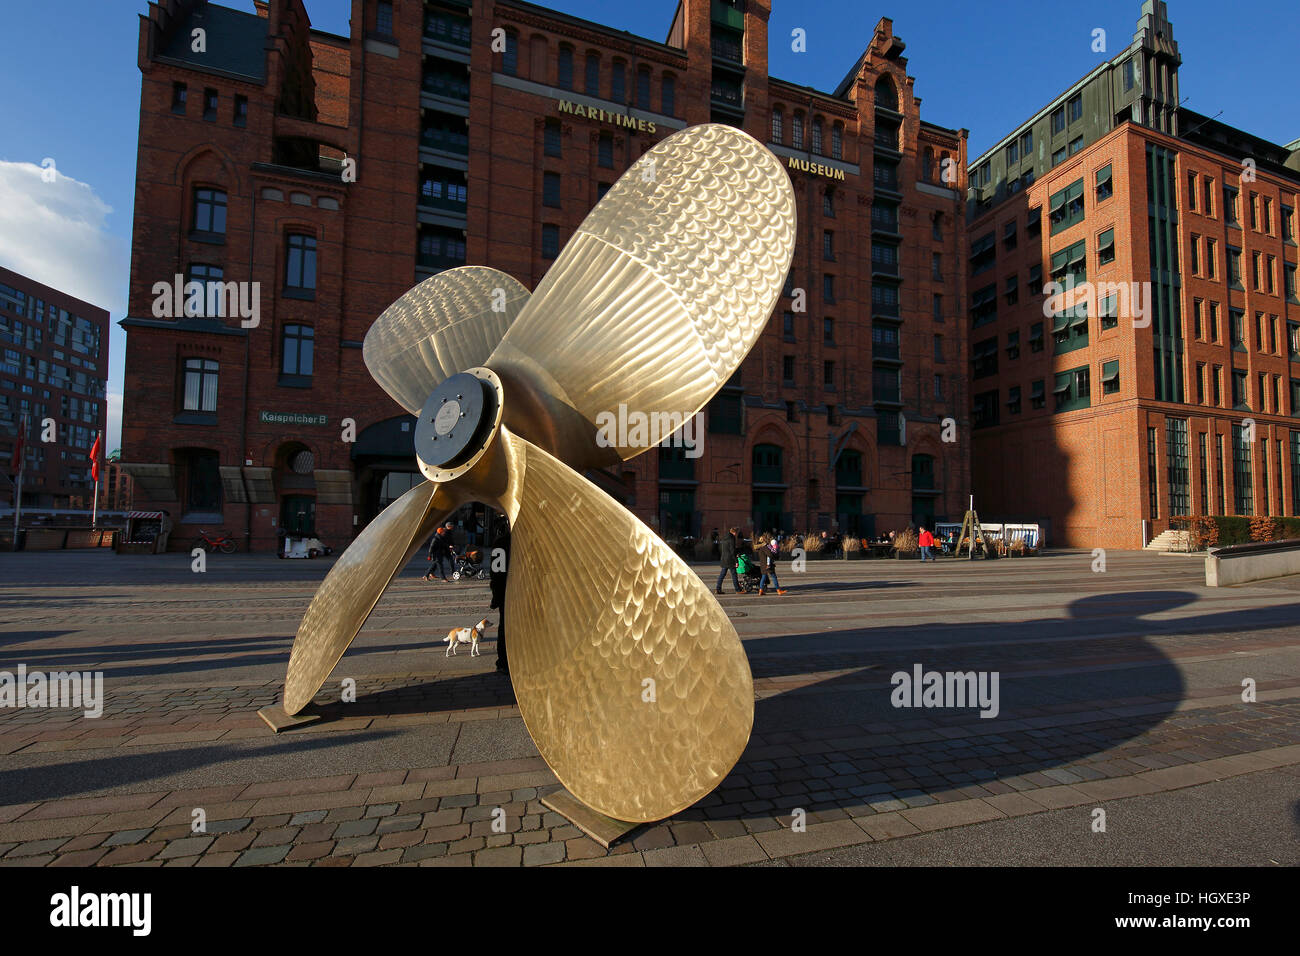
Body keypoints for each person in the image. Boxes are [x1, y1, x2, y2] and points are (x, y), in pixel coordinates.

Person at [488, 518, 511, 675]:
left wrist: (496, 594)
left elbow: (496, 572)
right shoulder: (502, 544)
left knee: (505, 627)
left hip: (505, 591)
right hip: (508, 592)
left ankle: (504, 661)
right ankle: (504, 660)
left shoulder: (501, 543)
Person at [715, 527, 742, 594]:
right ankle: (738, 590)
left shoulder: (725, 538)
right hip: (730, 560)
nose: (736, 535)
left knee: (722, 574)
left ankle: (718, 589)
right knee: (734, 574)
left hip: (724, 559)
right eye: (737, 533)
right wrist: (736, 561)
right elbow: (732, 551)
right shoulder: (732, 539)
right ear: (734, 532)